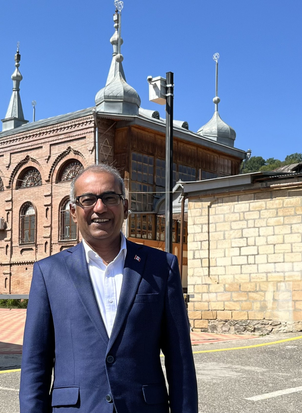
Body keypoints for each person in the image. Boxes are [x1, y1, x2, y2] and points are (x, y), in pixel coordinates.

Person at [20, 163, 198, 413]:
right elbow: (34, 363)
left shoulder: (160, 267)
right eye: (88, 200)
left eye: (109, 198)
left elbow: (180, 360)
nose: (100, 208)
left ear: (125, 207)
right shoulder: (49, 272)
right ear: (73, 212)